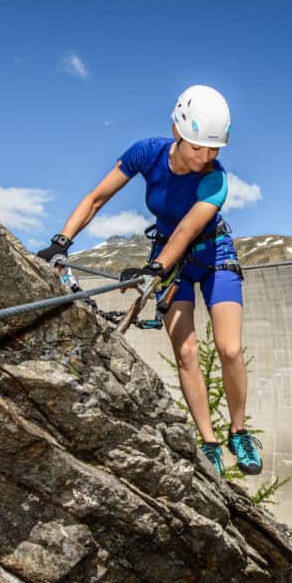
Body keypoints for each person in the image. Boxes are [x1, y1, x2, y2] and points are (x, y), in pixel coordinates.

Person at [36, 84, 261, 478]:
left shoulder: (216, 180)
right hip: (170, 261)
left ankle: (238, 432)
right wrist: (61, 242)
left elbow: (187, 231)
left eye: (214, 150)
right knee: (187, 353)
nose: (206, 157)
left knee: (229, 349)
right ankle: (208, 442)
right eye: (198, 147)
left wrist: (154, 270)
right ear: (177, 130)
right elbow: (96, 198)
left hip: (213, 254)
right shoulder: (146, 152)